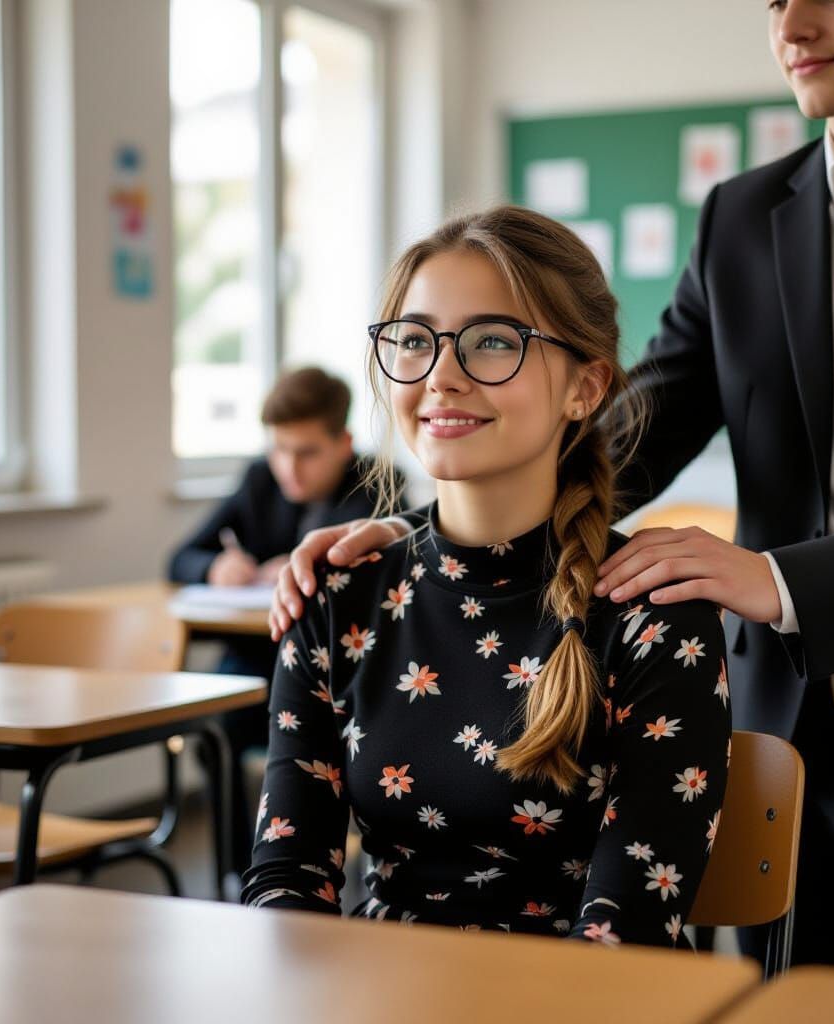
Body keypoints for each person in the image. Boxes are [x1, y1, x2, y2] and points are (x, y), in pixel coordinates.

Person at [270, 0, 834, 978]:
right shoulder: (741, 216)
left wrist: (779, 581)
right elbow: (614, 428)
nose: (791, 20)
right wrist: (416, 545)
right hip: (781, 720)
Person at [241, 206, 730, 947]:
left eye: (493, 341)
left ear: (586, 388)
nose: (442, 375)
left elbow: (625, 932)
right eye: (414, 341)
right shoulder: (337, 595)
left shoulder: (651, 611)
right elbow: (286, 884)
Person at [169, 365, 397, 870]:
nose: (289, 467)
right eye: (279, 449)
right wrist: (217, 565)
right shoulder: (257, 480)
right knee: (217, 723)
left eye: (307, 452)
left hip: (343, 670)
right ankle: (239, 872)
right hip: (256, 660)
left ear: (344, 442)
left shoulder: (380, 484)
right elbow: (180, 557)